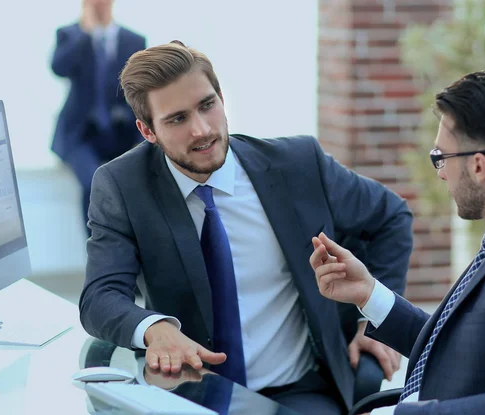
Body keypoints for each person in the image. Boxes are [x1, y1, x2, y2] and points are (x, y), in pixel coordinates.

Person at [79, 41, 414, 414]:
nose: (202, 130)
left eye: (207, 105)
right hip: (190, 392)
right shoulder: (123, 185)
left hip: (299, 392)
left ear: (221, 97)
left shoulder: (298, 164)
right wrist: (155, 328)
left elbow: (390, 217)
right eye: (177, 119)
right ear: (147, 131)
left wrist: (377, 322)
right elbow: (100, 297)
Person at [310, 70, 485, 415]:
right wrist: (369, 293)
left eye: (441, 157)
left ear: (477, 166)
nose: (440, 171)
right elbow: (460, 351)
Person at [50, 0, 145, 236]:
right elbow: (59, 68)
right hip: (80, 135)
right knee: (93, 182)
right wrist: (85, 32)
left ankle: (129, 248)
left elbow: (141, 87)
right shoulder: (70, 34)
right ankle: (97, 251)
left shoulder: (134, 40)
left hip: (119, 133)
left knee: (132, 184)